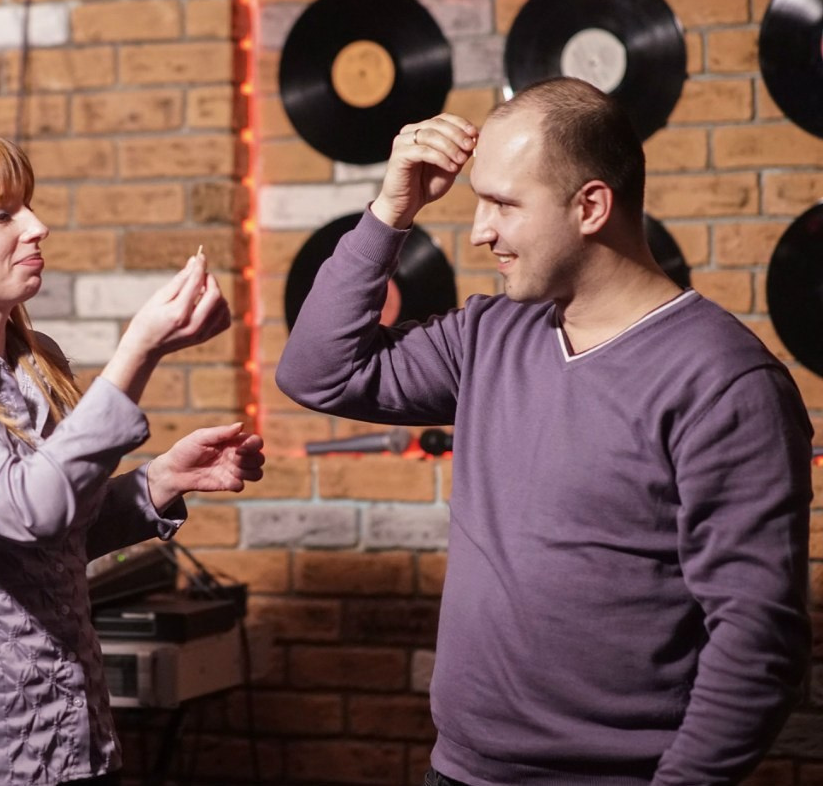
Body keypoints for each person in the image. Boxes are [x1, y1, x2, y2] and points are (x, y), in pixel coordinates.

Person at [276, 77, 813, 785]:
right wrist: (390, 211)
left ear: (590, 206)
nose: (479, 231)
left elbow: (758, 640)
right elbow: (317, 373)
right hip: (458, 771)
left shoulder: (724, 381)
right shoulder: (489, 333)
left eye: (503, 204)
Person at [0, 131, 264, 786]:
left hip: (76, 744)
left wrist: (159, 481)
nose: (37, 226)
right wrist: (138, 352)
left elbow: (53, 542)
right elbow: (24, 509)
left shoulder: (40, 366)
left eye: (29, 205)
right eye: (2, 214)